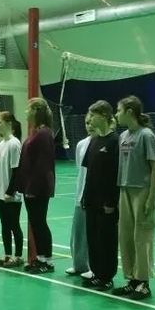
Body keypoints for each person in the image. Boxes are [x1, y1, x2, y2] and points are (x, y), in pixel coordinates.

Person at [113, 95, 155, 301]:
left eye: (118, 110)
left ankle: (143, 282)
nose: (116, 114)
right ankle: (131, 279)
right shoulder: (123, 136)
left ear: (130, 112)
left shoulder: (146, 135)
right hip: (124, 189)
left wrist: (151, 197)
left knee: (142, 237)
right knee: (125, 236)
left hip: (142, 190)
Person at [80, 101, 120, 291]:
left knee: (106, 240)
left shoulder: (115, 141)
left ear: (104, 116)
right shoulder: (94, 141)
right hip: (91, 200)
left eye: (93, 115)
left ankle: (107, 276)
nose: (90, 119)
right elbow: (89, 172)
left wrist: (111, 201)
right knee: (93, 238)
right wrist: (84, 196)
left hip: (106, 202)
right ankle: (96, 272)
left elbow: (116, 174)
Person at [18, 97, 57, 273]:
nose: (26, 112)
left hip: (38, 188)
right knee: (35, 222)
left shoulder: (44, 134)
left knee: (40, 222)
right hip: (30, 187)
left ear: (36, 111)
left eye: (29, 109)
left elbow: (43, 165)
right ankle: (40, 258)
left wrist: (34, 188)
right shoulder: (36, 132)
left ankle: (47, 260)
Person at [0, 111, 24, 268]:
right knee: (4, 225)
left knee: (14, 225)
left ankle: (18, 256)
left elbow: (17, 171)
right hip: (1, 193)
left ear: (9, 123)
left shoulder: (14, 144)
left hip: (12, 194)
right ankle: (7, 255)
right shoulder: (1, 143)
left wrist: (10, 191)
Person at [65, 115, 93, 278]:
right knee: (78, 232)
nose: (89, 125)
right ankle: (79, 264)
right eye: (86, 123)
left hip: (94, 196)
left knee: (93, 233)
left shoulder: (104, 142)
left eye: (91, 122)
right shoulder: (81, 144)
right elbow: (80, 168)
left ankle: (92, 266)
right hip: (80, 194)